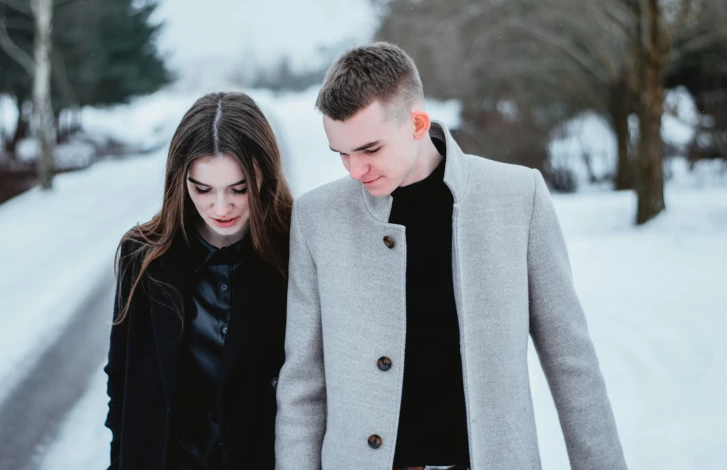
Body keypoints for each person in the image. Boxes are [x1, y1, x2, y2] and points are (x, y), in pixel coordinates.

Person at [275, 42, 627, 470]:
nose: (354, 170)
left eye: (369, 149)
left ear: (418, 123)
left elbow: (572, 364)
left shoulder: (518, 196)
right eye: (342, 153)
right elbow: (302, 388)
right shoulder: (317, 217)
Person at [104, 91, 292, 469]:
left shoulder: (297, 250)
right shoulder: (142, 256)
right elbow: (122, 383)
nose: (221, 208)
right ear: (180, 180)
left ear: (264, 173)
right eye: (202, 189)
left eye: (238, 188)